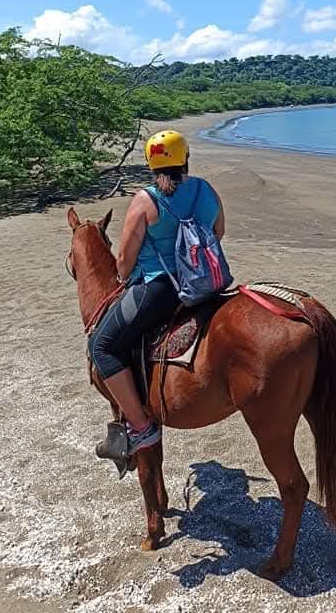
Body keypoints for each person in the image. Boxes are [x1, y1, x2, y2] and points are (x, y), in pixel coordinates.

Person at [89, 129, 225, 455]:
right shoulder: (205, 190)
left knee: (101, 346)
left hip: (161, 288)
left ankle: (140, 427)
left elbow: (124, 260)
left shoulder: (145, 199)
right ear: (186, 158)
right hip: (207, 282)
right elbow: (218, 232)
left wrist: (124, 277)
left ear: (151, 164)